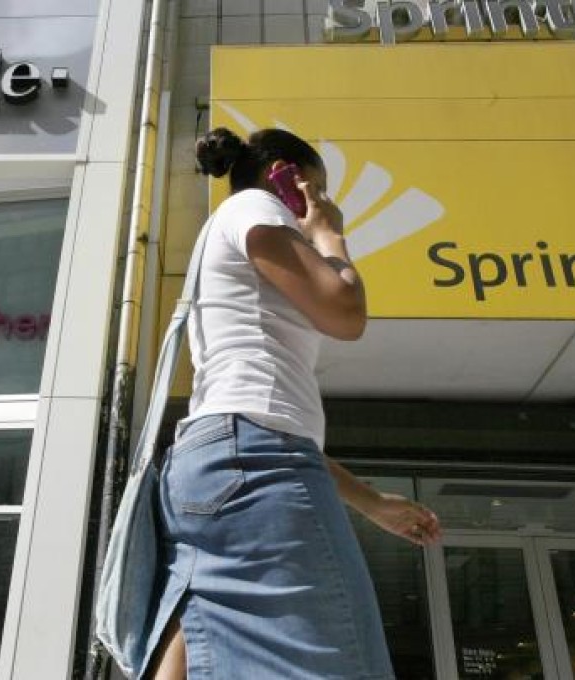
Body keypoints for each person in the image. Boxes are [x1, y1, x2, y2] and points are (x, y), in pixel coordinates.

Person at [141, 127, 443, 680]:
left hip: (216, 465)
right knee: (335, 660)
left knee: (202, 647)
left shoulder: (225, 233)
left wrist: (372, 502)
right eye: (319, 190)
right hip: (250, 462)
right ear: (288, 176)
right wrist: (329, 237)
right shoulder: (257, 205)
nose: (321, 204)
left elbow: (262, 426)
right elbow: (345, 312)